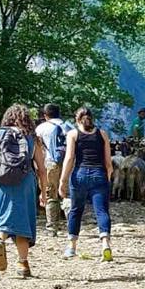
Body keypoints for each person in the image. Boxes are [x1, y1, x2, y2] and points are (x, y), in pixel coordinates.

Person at [0, 104, 47, 276]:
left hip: (0, 181)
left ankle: (0, 240)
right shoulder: (32, 137)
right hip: (25, 182)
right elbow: (41, 169)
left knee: (2, 217)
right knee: (23, 222)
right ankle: (23, 264)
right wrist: (43, 192)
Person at [58, 107, 114, 261]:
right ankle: (105, 244)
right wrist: (107, 177)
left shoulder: (73, 134)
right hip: (99, 174)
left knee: (76, 210)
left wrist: (63, 180)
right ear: (92, 118)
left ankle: (71, 247)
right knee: (102, 211)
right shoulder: (102, 134)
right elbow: (108, 163)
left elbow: (69, 158)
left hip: (79, 175)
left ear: (77, 120)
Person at [35, 103, 68, 236]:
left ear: (45, 115)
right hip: (69, 164)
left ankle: (52, 227)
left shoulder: (41, 128)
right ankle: (72, 225)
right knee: (68, 194)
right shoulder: (69, 126)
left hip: (50, 163)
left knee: (50, 194)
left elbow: (38, 148)